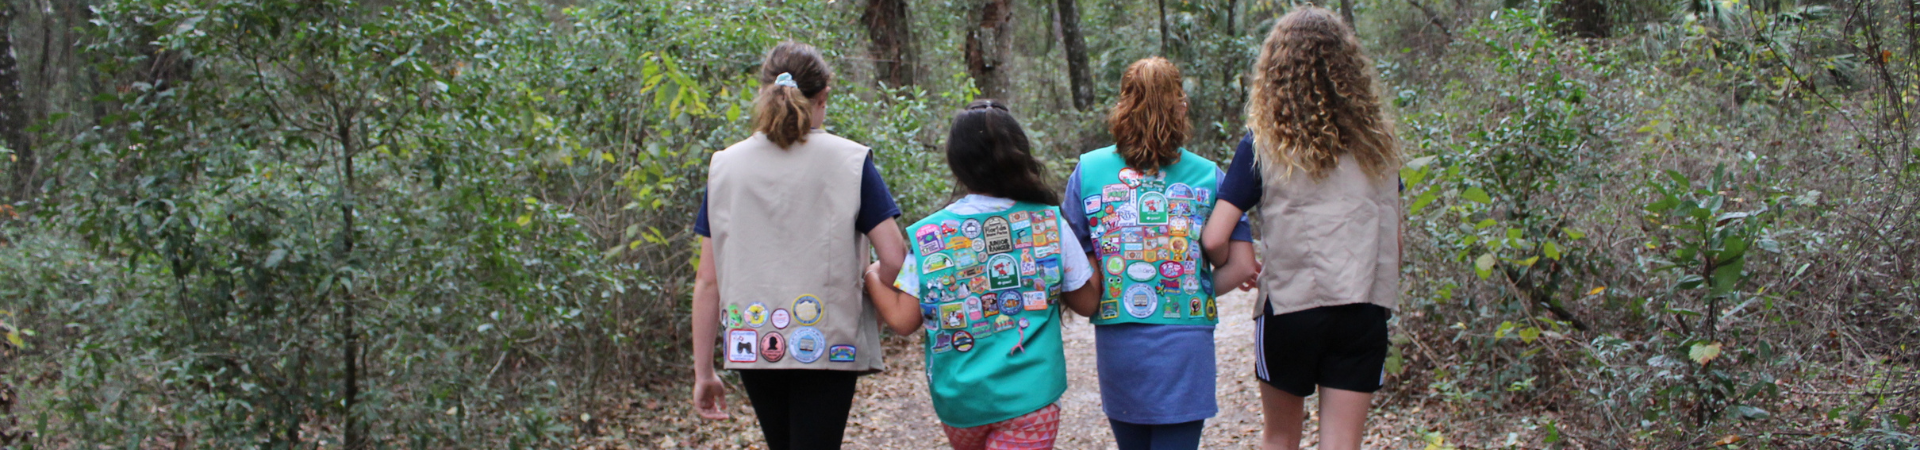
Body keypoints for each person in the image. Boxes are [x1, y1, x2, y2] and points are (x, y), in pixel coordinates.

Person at [1200, 7, 1404, 450]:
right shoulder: (1380, 148)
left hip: (1292, 308)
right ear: (1348, 70)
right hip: (1364, 306)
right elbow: (1396, 238)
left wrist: (1237, 266)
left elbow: (1215, 236)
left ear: (1277, 70)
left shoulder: (1262, 145)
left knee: (1280, 438)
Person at [689, 41, 909, 450]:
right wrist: (871, 309)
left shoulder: (726, 166)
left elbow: (707, 280)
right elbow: (894, 256)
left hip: (752, 340)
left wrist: (704, 372)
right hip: (829, 340)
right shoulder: (850, 161)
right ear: (823, 96)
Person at [862, 100, 1098, 450]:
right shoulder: (1049, 222)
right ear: (1020, 155)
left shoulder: (930, 236)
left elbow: (902, 319)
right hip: (1031, 398)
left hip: (960, 404)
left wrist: (870, 274)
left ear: (956, 163)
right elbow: (1087, 302)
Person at [1057, 57, 1259, 450]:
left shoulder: (1088, 171)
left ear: (1123, 106)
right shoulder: (1210, 175)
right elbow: (1242, 266)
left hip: (1119, 345)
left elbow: (1074, 264)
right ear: (1180, 105)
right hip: (1185, 344)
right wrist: (1189, 285)